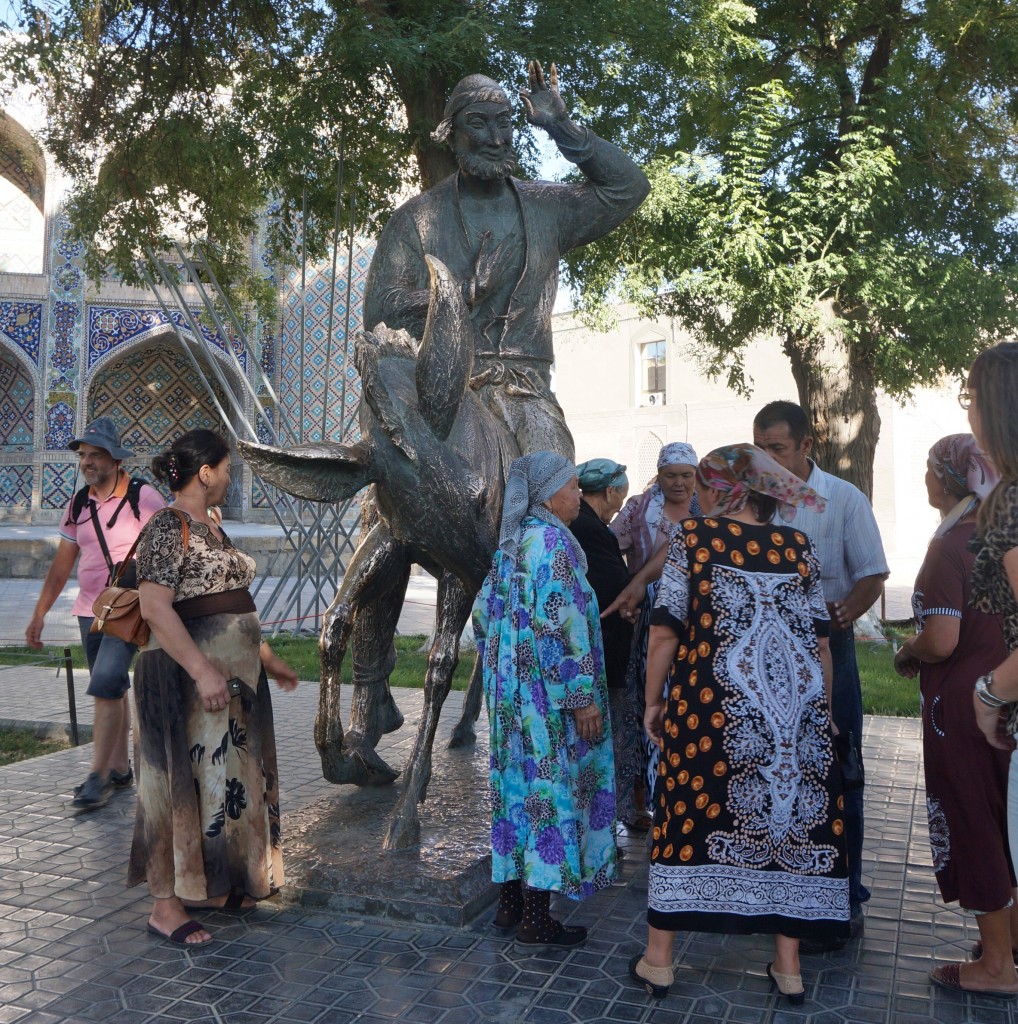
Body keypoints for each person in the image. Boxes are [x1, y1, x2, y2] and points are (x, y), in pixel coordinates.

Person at [628, 444, 848, 1003]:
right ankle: (788, 966)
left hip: (711, 706)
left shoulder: (694, 541)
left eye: (703, 484)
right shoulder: (797, 546)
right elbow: (821, 642)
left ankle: (658, 960)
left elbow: (664, 631)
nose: (698, 494)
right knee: (791, 823)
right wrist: (819, 709)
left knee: (688, 811)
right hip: (794, 713)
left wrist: (653, 702)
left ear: (723, 489)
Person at [365, 62, 649, 461]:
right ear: (452, 134)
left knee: (554, 489)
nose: (496, 138)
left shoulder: (546, 207)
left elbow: (629, 187)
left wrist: (560, 125)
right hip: (444, 393)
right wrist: (459, 294)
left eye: (505, 123)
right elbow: (379, 312)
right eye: (479, 124)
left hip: (529, 392)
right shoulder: (418, 217)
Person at [129, 429, 298, 946]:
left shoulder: (212, 525)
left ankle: (207, 884)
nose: (230, 477)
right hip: (182, 680)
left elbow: (230, 600)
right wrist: (203, 670)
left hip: (231, 684)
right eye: (226, 468)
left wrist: (265, 658)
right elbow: (155, 606)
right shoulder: (166, 526)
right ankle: (165, 906)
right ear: (205, 472)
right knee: (174, 785)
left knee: (219, 783)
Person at [752, 400, 888, 946]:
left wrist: (840, 615)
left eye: (777, 449)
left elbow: (873, 574)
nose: (766, 459)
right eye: (759, 448)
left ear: (808, 446)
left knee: (837, 768)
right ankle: (779, 891)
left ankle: (844, 894)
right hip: (762, 659)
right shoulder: (751, 501)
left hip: (831, 653)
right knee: (771, 771)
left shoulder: (843, 500)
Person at [472, 451, 616, 951]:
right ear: (549, 495)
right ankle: (538, 918)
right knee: (547, 797)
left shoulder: (511, 545)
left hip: (511, 702)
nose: (579, 496)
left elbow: (481, 620)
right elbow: (562, 627)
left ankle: (509, 906)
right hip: (548, 707)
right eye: (572, 487)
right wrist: (581, 699)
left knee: (515, 794)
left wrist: (507, 667)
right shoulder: (554, 544)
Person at [893, 433, 1018, 998]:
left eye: (927, 469)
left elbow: (942, 639)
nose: (923, 480)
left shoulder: (951, 546)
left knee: (975, 826)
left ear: (948, 478)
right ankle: (1008, 942)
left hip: (964, 709)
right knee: (1004, 824)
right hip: (1003, 700)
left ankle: (996, 966)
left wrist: (906, 650)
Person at [25, 416, 164, 810]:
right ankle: (120, 770)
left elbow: (170, 548)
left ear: (115, 460)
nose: (86, 462)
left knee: (104, 682)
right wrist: (40, 613)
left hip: (129, 611)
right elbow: (62, 564)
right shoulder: (78, 503)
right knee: (113, 688)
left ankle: (96, 776)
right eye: (83, 456)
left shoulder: (143, 498)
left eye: (94, 455)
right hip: (90, 612)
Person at [611, 443, 701, 827]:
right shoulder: (638, 508)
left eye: (687, 475)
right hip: (646, 617)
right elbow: (609, 545)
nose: (679, 483)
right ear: (659, 475)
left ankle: (681, 791)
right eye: (671, 475)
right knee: (642, 703)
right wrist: (629, 588)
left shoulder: (707, 510)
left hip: (696, 620)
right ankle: (637, 800)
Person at [572, 459, 639, 831]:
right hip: (604, 648)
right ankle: (601, 823)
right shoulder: (590, 528)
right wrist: (633, 599)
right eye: (619, 497)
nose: (619, 505)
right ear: (611, 491)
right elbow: (612, 585)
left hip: (606, 641)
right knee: (604, 738)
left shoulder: (589, 524)